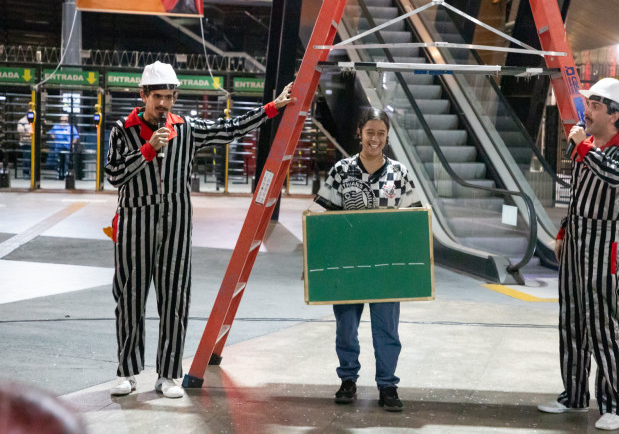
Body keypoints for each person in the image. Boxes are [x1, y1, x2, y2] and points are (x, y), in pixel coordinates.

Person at [105, 61, 295, 399]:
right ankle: (128, 372)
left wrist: (272, 108)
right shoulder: (122, 130)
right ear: (143, 95)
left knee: (174, 300)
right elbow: (114, 175)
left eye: (169, 96)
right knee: (130, 299)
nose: (163, 104)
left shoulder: (187, 129)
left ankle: (168, 375)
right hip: (135, 225)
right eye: (157, 96)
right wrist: (149, 150)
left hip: (176, 226)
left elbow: (229, 128)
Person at [537, 78, 619, 431]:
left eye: (595, 107)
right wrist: (565, 228)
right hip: (576, 235)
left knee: (602, 324)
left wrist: (583, 146)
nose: (587, 111)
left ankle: (614, 404)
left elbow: (613, 177)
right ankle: (575, 395)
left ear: (615, 114)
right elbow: (578, 191)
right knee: (572, 319)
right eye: (589, 105)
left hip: (604, 241)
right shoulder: (586, 143)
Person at [313, 107, 418, 412]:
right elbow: (320, 217)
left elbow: (414, 220)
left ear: (387, 136)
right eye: (370, 132)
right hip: (347, 267)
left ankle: (388, 385)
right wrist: (313, 262)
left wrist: (413, 266)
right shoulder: (342, 171)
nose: (375, 138)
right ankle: (348, 380)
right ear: (359, 132)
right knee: (346, 327)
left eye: (381, 133)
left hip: (386, 268)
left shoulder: (399, 174)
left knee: (387, 330)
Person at [47, 115, 79, 180]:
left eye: (65, 120)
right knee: (58, 161)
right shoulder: (56, 126)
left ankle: (65, 174)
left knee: (67, 161)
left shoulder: (71, 127)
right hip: (58, 147)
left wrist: (72, 144)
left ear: (68, 121)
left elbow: (76, 137)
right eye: (62, 120)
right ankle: (59, 174)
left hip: (67, 147)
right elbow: (51, 132)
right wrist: (54, 138)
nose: (63, 122)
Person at [16, 114, 32, 178]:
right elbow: (20, 131)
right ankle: (26, 173)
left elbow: (39, 130)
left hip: (33, 143)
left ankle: (33, 174)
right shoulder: (22, 121)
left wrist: (26, 131)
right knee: (26, 158)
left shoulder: (35, 120)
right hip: (25, 143)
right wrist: (28, 131)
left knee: (32, 159)